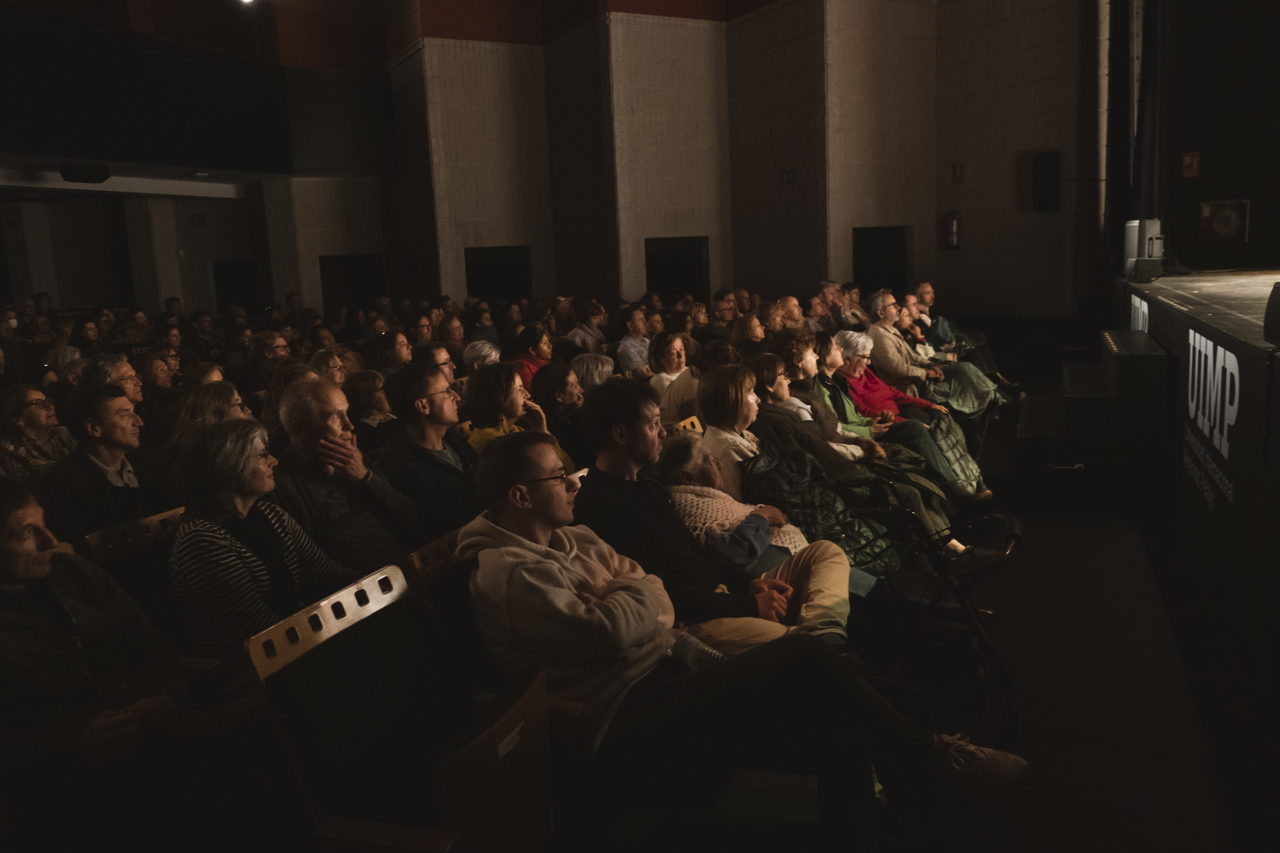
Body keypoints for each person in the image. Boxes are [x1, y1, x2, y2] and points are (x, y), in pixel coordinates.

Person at [458, 432, 1026, 844]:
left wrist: (632, 594)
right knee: (804, 654)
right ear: (520, 496)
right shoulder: (507, 573)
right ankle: (934, 754)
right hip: (619, 712)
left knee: (839, 731)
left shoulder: (575, 536)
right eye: (558, 476)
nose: (573, 481)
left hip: (669, 664)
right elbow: (612, 630)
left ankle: (915, 788)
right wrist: (633, 595)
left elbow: (651, 593)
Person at [574, 380, 851, 654]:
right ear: (621, 434)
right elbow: (660, 591)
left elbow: (696, 549)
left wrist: (748, 584)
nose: (662, 433)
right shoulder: (601, 506)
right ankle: (821, 643)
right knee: (797, 645)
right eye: (653, 424)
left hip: (723, 596)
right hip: (695, 620)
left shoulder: (647, 486)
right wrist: (751, 605)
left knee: (825, 553)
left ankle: (822, 636)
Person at [171, 420, 360, 658]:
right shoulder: (202, 541)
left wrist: (383, 586)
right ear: (230, 466)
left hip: (291, 643)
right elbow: (262, 630)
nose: (274, 461)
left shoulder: (271, 515)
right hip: (244, 667)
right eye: (263, 455)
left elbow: (327, 571)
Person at [835, 331, 989, 502]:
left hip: (899, 415)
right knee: (920, 428)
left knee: (942, 417)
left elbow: (891, 392)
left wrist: (927, 405)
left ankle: (972, 476)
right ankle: (953, 488)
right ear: (847, 357)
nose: (869, 362)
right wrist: (905, 421)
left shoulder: (862, 371)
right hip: (885, 424)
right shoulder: (842, 382)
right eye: (865, 357)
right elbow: (866, 413)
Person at [37, 386, 171, 550]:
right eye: (124, 415)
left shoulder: (152, 465)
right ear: (94, 428)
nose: (138, 421)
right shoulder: (62, 485)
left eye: (133, 412)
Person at [865, 289, 999, 450]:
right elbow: (896, 368)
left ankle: (987, 405)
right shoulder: (878, 335)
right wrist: (925, 372)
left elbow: (912, 357)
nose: (898, 307)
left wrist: (928, 364)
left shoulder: (890, 331)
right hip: (908, 386)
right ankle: (981, 415)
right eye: (893, 305)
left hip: (917, 379)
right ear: (880, 312)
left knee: (965, 370)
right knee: (966, 382)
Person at [378, 363, 482, 545]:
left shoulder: (452, 441)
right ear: (423, 405)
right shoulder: (404, 466)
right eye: (447, 391)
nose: (456, 397)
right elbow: (443, 529)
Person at [462, 362, 576, 470]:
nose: (527, 394)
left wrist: (542, 430)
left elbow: (568, 468)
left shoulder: (515, 431)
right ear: (499, 398)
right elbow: (561, 472)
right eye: (519, 389)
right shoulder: (492, 444)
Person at [0, 384, 75, 478]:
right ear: (18, 419)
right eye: (40, 403)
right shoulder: (5, 456)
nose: (51, 406)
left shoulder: (63, 436)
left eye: (48, 401)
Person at [530, 363, 592, 469]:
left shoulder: (539, 419)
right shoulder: (572, 426)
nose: (581, 389)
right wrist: (581, 414)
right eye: (575, 385)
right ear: (559, 395)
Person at [647, 331, 699, 428]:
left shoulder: (688, 371)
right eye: (673, 353)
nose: (680, 356)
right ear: (660, 358)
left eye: (681, 349)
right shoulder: (659, 380)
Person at [343, 370, 398, 455]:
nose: (386, 392)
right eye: (381, 389)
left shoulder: (397, 417)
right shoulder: (361, 433)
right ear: (366, 396)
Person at [615, 307, 651, 373]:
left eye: (644, 320)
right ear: (630, 326)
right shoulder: (625, 349)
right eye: (641, 320)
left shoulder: (646, 341)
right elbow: (643, 373)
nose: (646, 324)